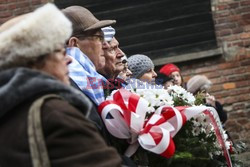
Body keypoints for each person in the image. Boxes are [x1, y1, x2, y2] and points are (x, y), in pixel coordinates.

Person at [0, 3, 121, 167]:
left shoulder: (11, 113)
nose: (69, 58)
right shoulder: (54, 112)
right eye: (59, 51)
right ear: (35, 61)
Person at [62, 6, 116, 106]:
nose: (106, 45)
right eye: (99, 38)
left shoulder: (91, 79)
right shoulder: (70, 84)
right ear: (74, 43)